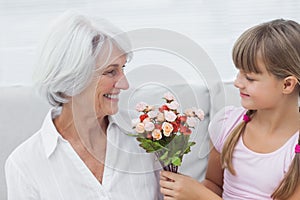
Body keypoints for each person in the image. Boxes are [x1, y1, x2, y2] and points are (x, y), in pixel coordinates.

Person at [5, 10, 162, 200]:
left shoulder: (144, 137)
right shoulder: (24, 165)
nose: (125, 84)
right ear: (73, 79)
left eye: (123, 68)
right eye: (111, 72)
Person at [160, 19, 300, 199]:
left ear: (287, 84)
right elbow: (214, 184)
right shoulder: (227, 125)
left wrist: (201, 196)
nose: (237, 83)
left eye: (249, 78)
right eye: (238, 72)